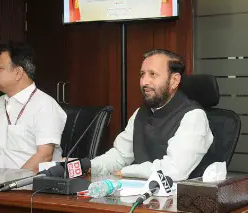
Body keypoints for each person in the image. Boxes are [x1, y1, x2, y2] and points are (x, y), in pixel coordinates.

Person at [91, 49, 213, 181]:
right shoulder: (140, 113)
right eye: (142, 74)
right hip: (141, 195)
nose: (144, 82)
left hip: (181, 199)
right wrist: (87, 166)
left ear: (174, 80)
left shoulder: (193, 116)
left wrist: (126, 171)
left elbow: (174, 170)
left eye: (153, 74)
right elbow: (119, 156)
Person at [0, 43, 66, 172]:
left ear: (18, 73)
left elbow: (44, 155)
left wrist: (11, 184)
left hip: (32, 187)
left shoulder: (45, 105)